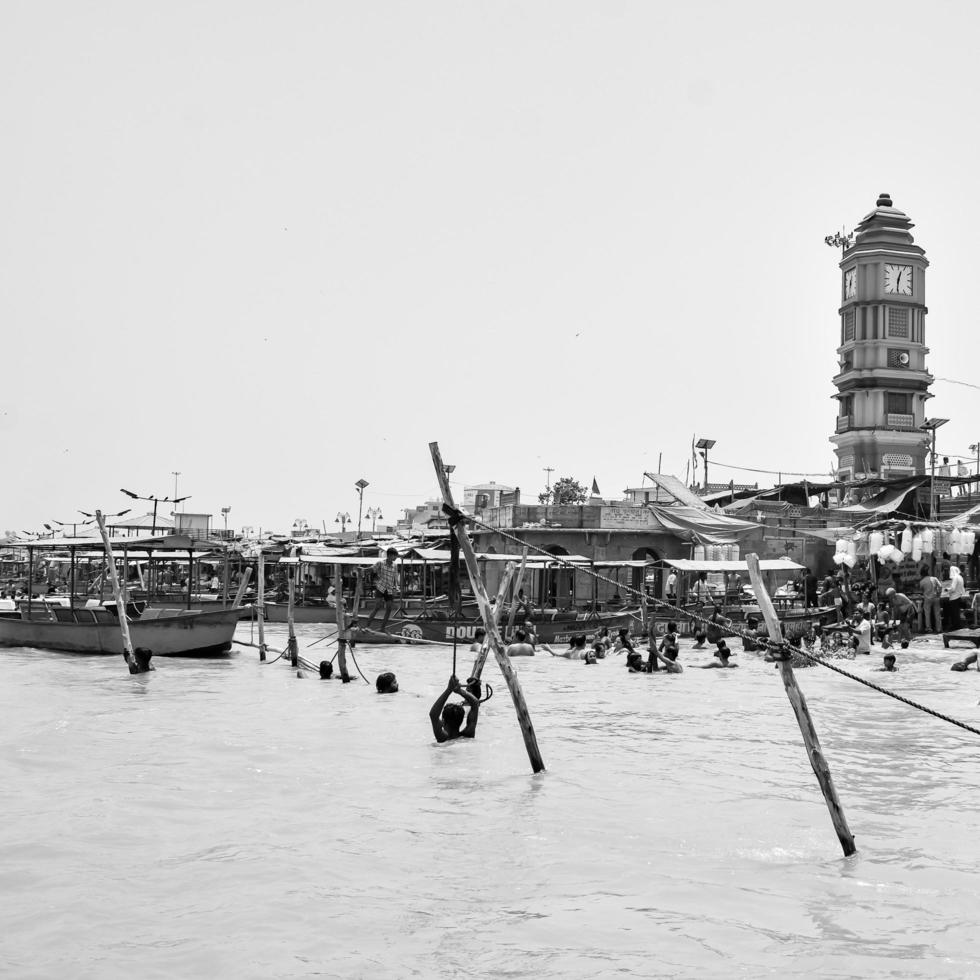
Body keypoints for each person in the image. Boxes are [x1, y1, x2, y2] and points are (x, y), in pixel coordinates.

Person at [429, 675, 479, 742]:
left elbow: (433, 715)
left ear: (443, 721)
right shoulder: (467, 735)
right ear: (461, 721)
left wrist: (449, 690)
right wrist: (459, 691)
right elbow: (475, 703)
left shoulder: (443, 738)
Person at [362, 548, 400, 632]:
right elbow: (371, 569)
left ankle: (383, 628)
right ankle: (367, 626)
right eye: (395, 556)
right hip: (380, 587)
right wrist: (362, 570)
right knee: (377, 607)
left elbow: (395, 577)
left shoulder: (395, 565)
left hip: (389, 589)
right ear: (389, 555)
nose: (396, 558)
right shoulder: (380, 563)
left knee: (389, 608)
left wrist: (396, 588)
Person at [919, 567, 943, 633]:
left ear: (922, 575)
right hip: (936, 597)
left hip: (927, 598)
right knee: (937, 614)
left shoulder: (922, 581)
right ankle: (938, 629)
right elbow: (940, 586)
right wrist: (939, 594)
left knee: (927, 614)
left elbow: (921, 590)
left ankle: (928, 628)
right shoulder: (934, 578)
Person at [947, 565, 967, 631]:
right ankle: (957, 625)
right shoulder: (960, 577)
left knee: (954, 613)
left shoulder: (955, 578)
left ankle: (955, 626)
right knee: (957, 612)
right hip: (959, 596)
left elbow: (953, 588)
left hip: (954, 597)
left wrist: (947, 590)